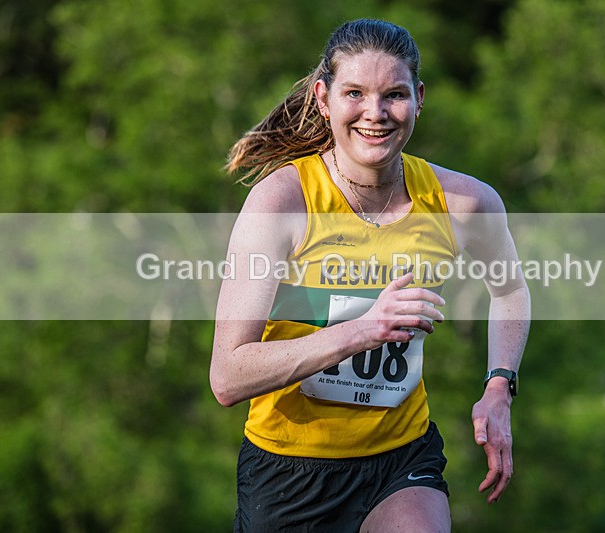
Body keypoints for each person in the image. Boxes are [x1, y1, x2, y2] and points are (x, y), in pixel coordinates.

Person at [211, 18, 530, 532]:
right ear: (323, 98)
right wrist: (363, 330)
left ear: (419, 98)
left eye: (394, 95)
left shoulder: (464, 203)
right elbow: (228, 377)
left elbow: (511, 290)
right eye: (354, 93)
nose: (375, 114)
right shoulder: (281, 202)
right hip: (289, 471)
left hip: (400, 457)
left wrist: (499, 385)